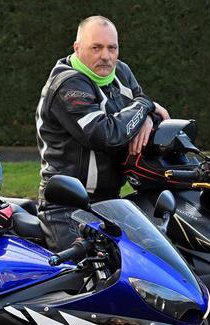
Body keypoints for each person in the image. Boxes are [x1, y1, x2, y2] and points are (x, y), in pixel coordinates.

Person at [35, 15, 170, 250]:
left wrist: (147, 116)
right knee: (90, 280)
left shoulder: (121, 72)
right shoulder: (68, 85)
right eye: (96, 48)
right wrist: (146, 107)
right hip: (67, 207)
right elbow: (105, 135)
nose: (106, 56)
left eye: (112, 48)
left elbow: (157, 115)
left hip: (111, 203)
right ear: (77, 48)